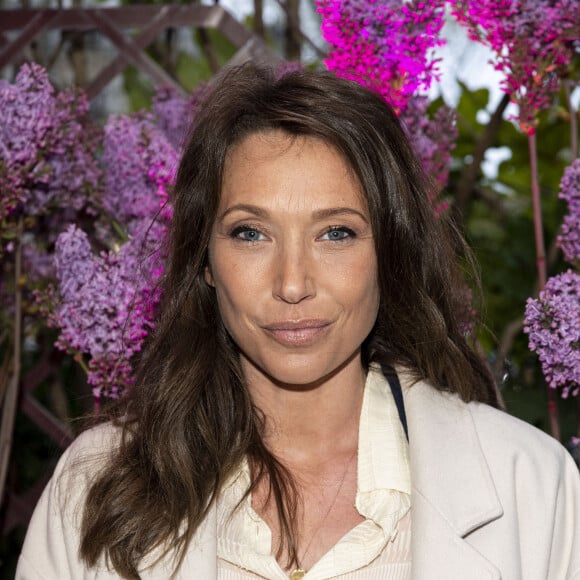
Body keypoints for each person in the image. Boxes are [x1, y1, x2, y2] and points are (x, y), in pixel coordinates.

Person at [17, 63, 580, 580]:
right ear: (204, 261)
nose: (292, 284)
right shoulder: (94, 484)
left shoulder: (530, 483)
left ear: (390, 252)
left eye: (336, 233)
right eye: (250, 233)